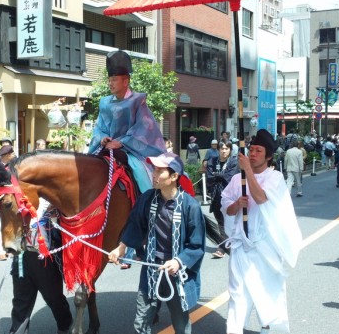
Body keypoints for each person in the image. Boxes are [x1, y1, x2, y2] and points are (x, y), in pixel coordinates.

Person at [108, 152, 205, 334]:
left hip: (176, 271)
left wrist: (178, 262)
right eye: (154, 169)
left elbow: (197, 245)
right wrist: (121, 248)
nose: (153, 174)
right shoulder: (148, 198)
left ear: (174, 176)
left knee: (180, 324)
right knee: (141, 321)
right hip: (152, 267)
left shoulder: (190, 206)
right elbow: (135, 224)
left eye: (160, 171)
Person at [221, 129, 302, 334]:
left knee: (267, 293)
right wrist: (237, 205)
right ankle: (234, 330)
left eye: (258, 150)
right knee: (237, 293)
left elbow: (261, 199)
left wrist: (247, 171)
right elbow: (226, 207)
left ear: (269, 156)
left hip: (266, 247)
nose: (253, 154)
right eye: (251, 149)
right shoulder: (235, 180)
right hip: (241, 246)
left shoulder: (275, 178)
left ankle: (267, 328)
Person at [87, 50, 166, 193]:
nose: (110, 83)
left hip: (131, 151)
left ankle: (148, 201)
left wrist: (121, 142)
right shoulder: (104, 103)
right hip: (107, 147)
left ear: (126, 81)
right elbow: (99, 127)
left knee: (140, 172)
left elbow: (144, 129)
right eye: (109, 79)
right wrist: (103, 138)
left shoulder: (138, 101)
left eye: (114, 79)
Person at [9, 202, 73, 334]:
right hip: (21, 254)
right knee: (21, 300)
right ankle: (17, 331)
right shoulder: (14, 194)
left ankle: (64, 324)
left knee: (54, 297)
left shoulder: (47, 190)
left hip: (44, 256)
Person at [206, 141, 238, 258]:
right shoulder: (212, 161)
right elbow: (209, 177)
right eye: (222, 148)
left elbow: (229, 178)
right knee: (221, 223)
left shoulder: (233, 161)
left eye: (226, 149)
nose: (224, 151)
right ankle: (225, 245)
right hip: (215, 197)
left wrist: (217, 175)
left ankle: (223, 247)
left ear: (230, 150)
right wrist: (220, 175)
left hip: (230, 197)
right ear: (218, 149)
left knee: (231, 222)